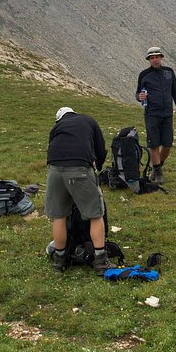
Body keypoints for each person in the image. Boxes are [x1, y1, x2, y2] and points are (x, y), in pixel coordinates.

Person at [45, 106, 109, 275]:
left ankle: (59, 261)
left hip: (54, 170)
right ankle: (101, 262)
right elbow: (100, 147)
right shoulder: (88, 120)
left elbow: (51, 148)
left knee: (59, 215)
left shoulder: (56, 127)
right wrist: (99, 166)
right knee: (95, 214)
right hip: (80, 168)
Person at [135, 46, 176, 183]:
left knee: (167, 145)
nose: (155, 60)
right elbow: (138, 93)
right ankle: (158, 173)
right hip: (152, 114)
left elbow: (175, 92)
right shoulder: (144, 75)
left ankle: (157, 167)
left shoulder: (169, 72)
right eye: (152, 58)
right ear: (149, 60)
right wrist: (139, 97)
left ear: (161, 58)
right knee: (154, 145)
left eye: (157, 57)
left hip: (167, 115)